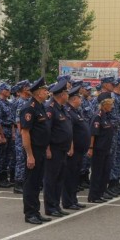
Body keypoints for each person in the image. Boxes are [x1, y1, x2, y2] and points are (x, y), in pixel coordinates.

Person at [19, 77, 52, 225]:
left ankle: (36, 211)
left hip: (41, 150)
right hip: (33, 151)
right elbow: (25, 132)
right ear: (38, 93)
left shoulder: (40, 106)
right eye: (45, 90)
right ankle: (30, 213)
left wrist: (47, 148)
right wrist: (30, 155)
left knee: (38, 182)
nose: (47, 92)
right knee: (31, 183)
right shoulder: (29, 108)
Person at [43, 79, 73, 217]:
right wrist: (47, 149)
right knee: (51, 178)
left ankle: (56, 204)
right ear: (61, 94)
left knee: (59, 178)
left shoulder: (62, 108)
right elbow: (47, 131)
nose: (68, 95)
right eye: (67, 92)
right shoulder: (50, 108)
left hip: (62, 149)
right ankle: (50, 207)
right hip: (53, 149)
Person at [62, 85, 90, 210]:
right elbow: (69, 131)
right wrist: (71, 146)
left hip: (80, 149)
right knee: (70, 175)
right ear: (74, 99)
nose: (81, 100)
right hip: (73, 150)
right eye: (79, 98)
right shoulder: (68, 111)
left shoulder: (76, 111)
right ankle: (68, 201)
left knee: (75, 176)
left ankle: (73, 199)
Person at [87, 92, 115, 203]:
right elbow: (93, 134)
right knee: (97, 173)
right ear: (104, 105)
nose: (112, 106)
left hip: (106, 149)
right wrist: (91, 148)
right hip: (98, 149)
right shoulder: (97, 116)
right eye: (110, 104)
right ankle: (93, 196)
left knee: (105, 172)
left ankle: (100, 193)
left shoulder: (106, 115)